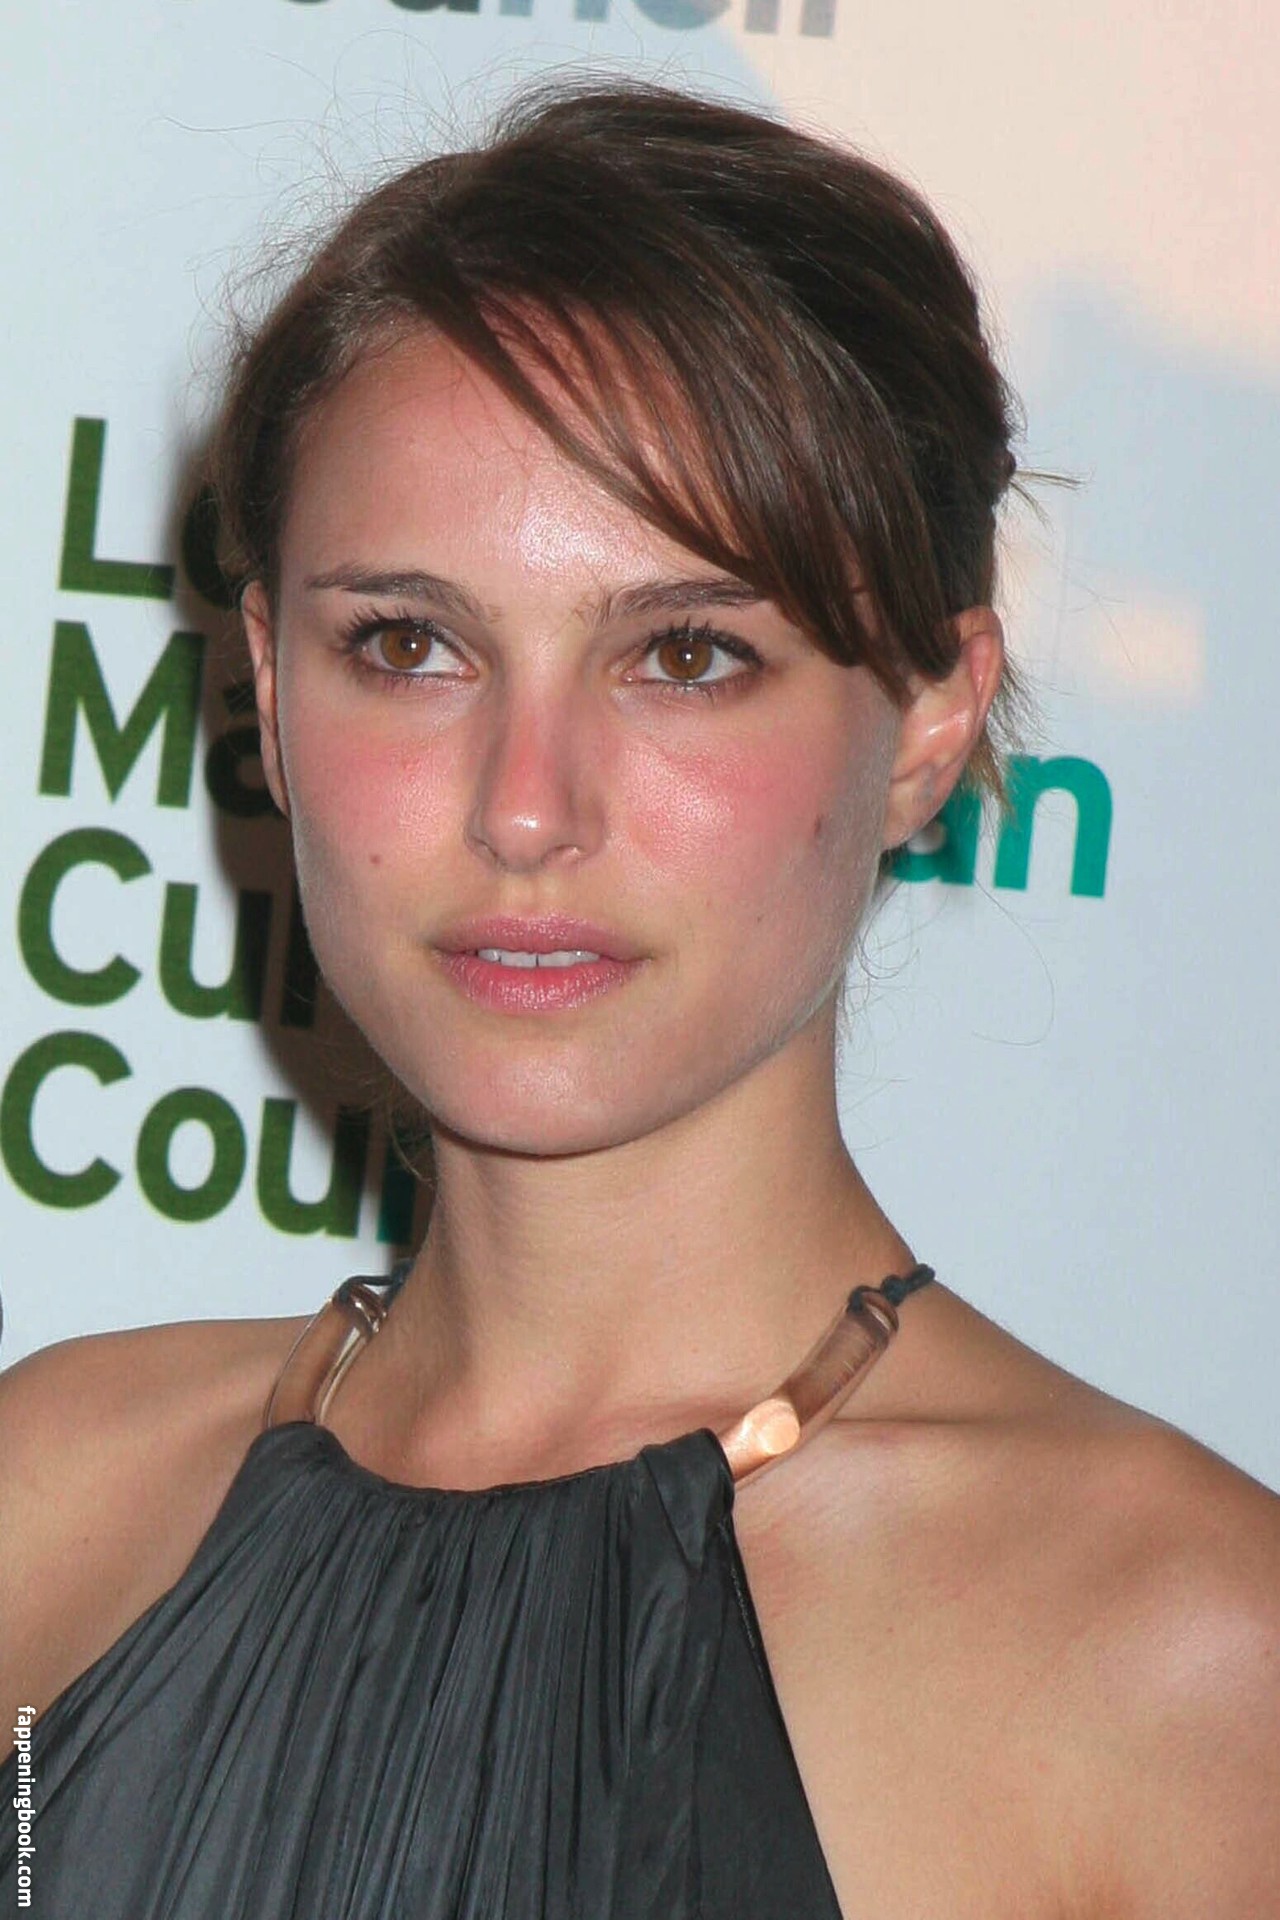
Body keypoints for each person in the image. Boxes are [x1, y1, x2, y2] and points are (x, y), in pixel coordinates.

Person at [2, 72, 1277, 1919]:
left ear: (930, 720)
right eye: (410, 645)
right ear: (269, 688)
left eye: (684, 655)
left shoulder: (1188, 1668)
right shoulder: (51, 1497)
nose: (527, 809)